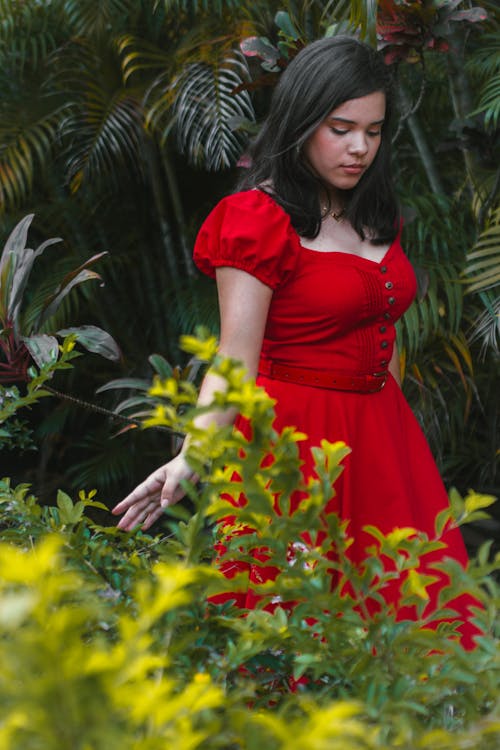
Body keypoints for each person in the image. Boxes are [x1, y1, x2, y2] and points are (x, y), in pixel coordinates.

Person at [112, 36, 479, 647]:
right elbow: (234, 359)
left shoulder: (374, 210)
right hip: (295, 448)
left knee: (412, 629)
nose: (360, 147)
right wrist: (194, 455)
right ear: (303, 120)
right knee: (298, 641)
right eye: (340, 128)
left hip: (385, 438)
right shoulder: (257, 220)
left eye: (374, 130)